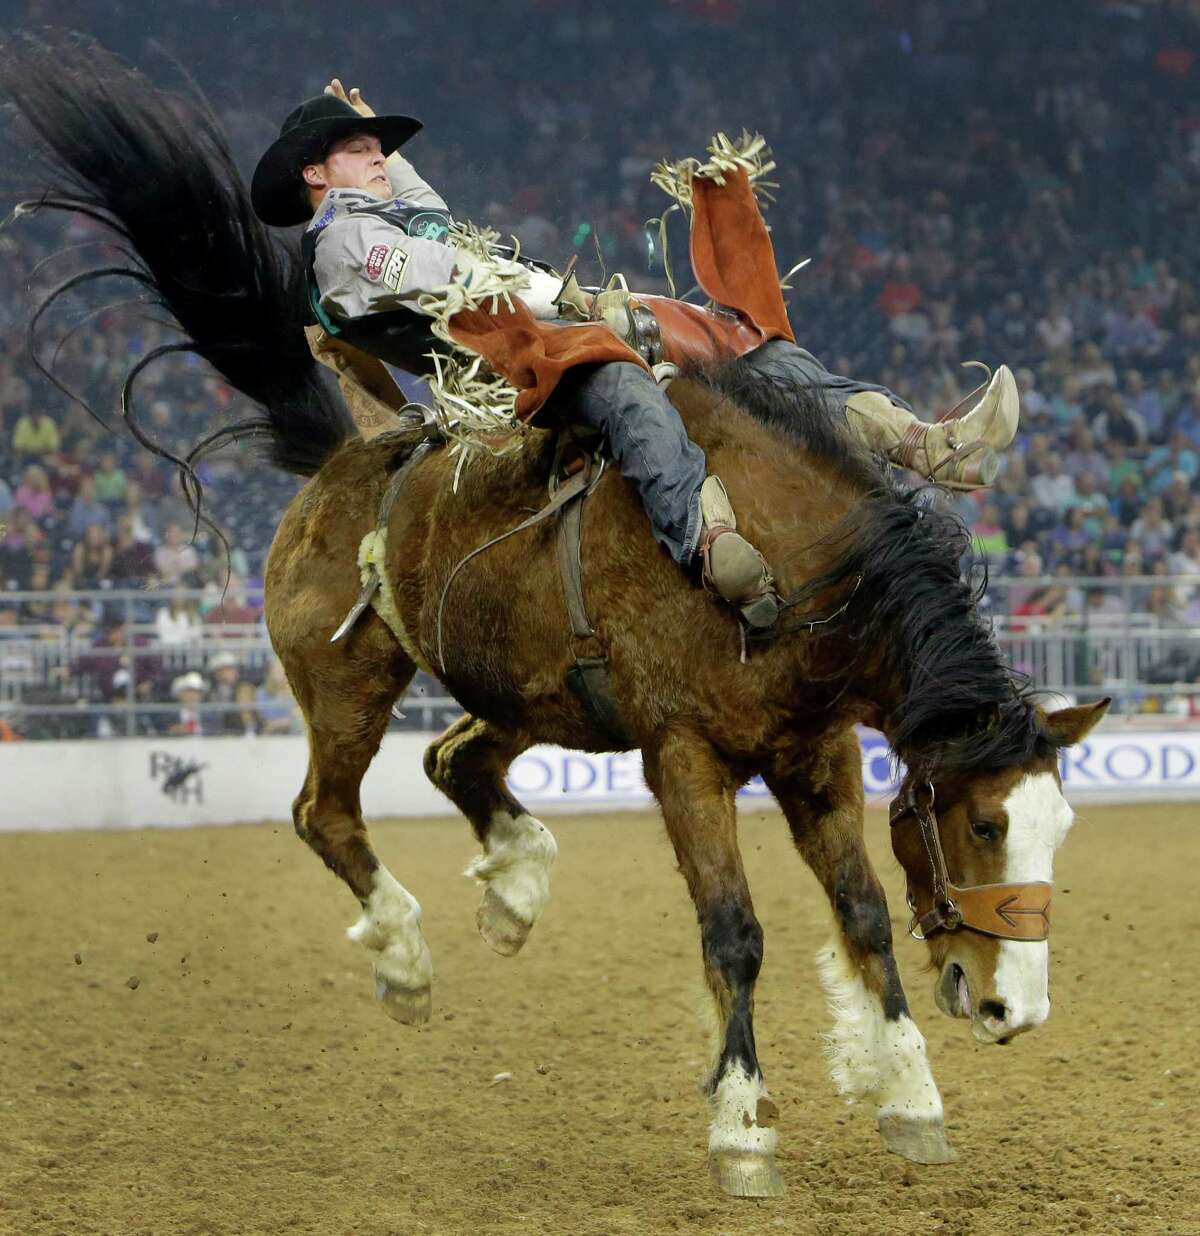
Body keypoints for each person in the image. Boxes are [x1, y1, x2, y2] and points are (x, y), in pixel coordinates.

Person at [251, 83, 1020, 627]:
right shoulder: (346, 243)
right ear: (315, 175)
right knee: (621, 380)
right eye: (359, 148)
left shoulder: (387, 211)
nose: (378, 155)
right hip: (501, 370)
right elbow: (453, 272)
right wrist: (572, 299)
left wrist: (376, 137)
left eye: (378, 147)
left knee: (729, 337)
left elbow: (432, 219)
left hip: (533, 331)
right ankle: (703, 537)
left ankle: (919, 442)